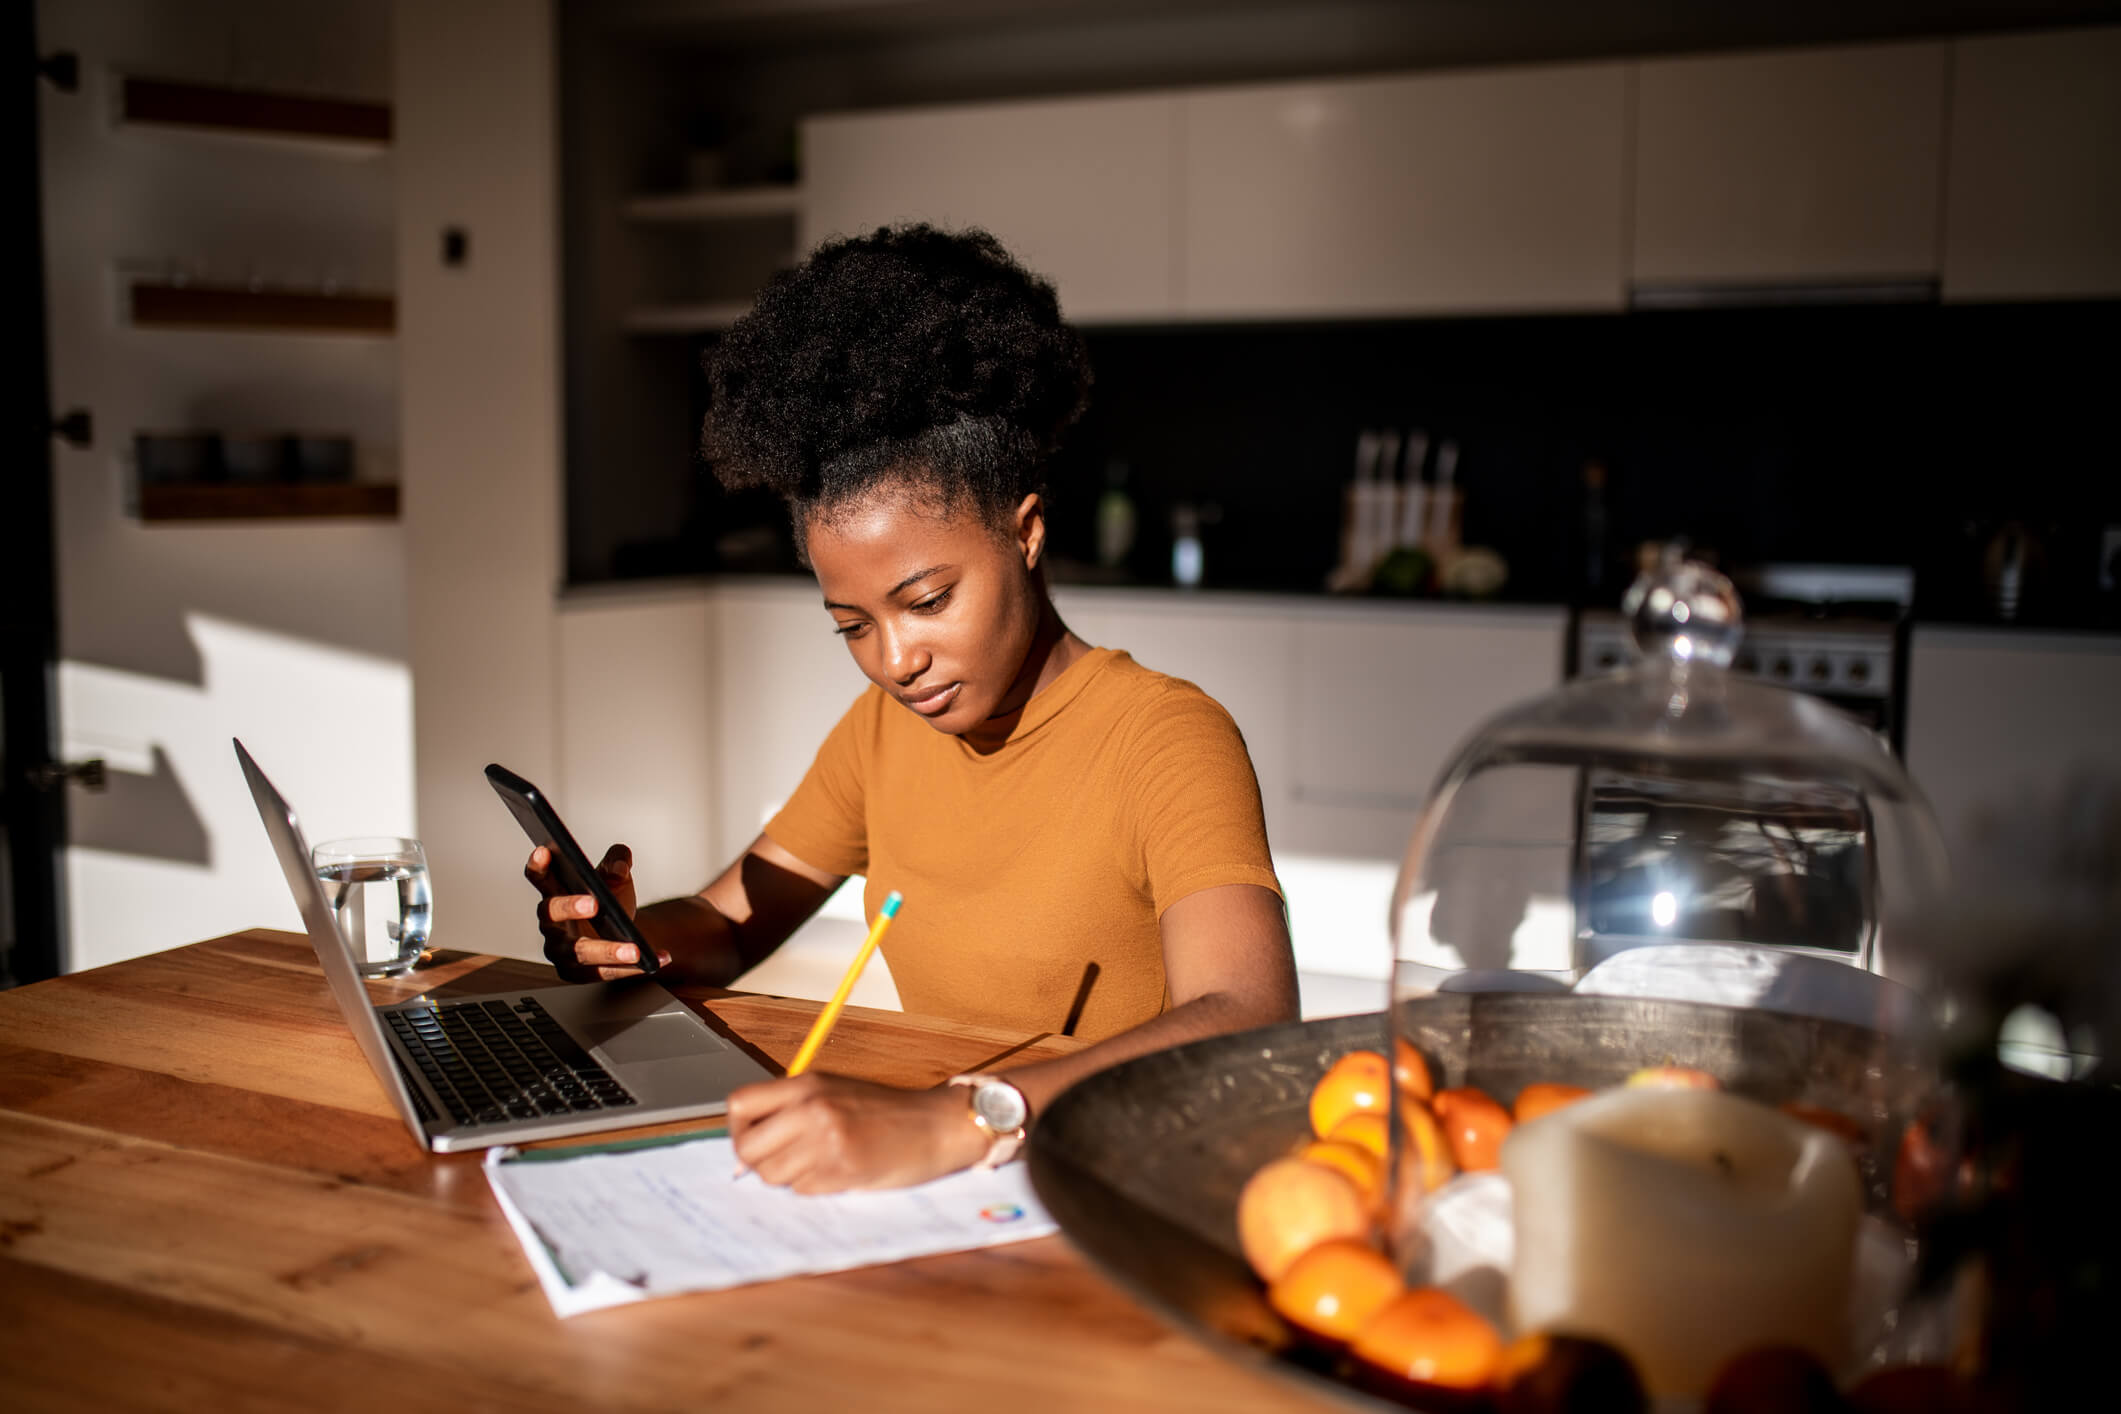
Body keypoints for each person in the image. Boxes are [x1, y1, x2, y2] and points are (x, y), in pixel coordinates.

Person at [527, 224, 1297, 1193]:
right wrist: (631, 939)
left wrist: (962, 1115)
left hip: (1125, 1188)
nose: (895, 661)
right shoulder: (885, 735)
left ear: (1026, 531)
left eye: (928, 601)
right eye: (850, 624)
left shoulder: (1165, 737)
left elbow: (1251, 1015)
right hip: (959, 1200)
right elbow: (728, 924)